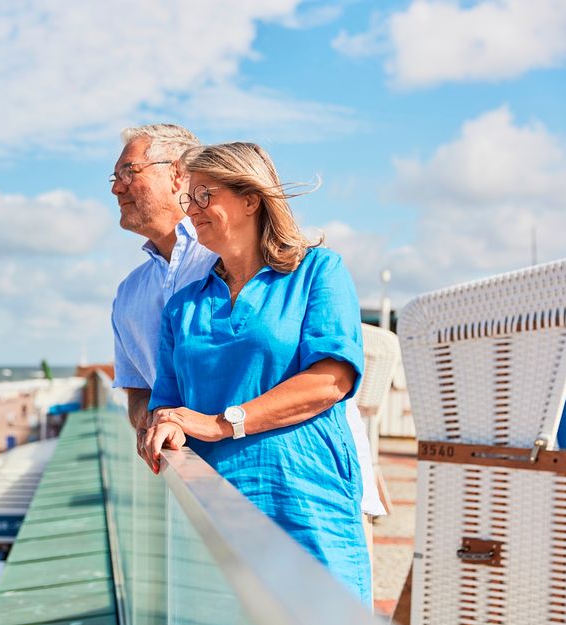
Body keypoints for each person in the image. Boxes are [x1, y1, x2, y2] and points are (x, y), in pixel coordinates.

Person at [109, 124, 385, 546]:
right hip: (209, 492)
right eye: (115, 177)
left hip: (311, 489)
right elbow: (146, 394)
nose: (117, 188)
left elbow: (331, 377)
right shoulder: (153, 299)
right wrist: (162, 427)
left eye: (130, 171)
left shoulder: (294, 265)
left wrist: (220, 423)